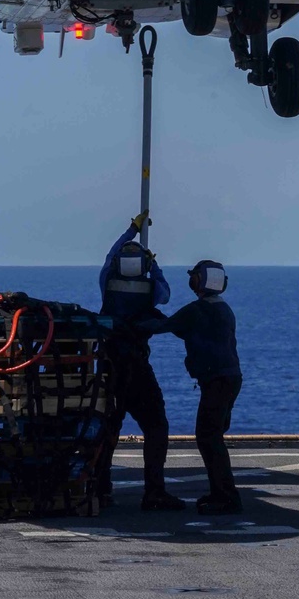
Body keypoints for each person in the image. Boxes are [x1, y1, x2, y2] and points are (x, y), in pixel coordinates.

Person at [97, 215, 186, 513]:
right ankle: (154, 492)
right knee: (156, 426)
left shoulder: (107, 281)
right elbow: (166, 292)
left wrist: (130, 231)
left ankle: (100, 488)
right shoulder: (151, 289)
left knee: (108, 427)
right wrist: (153, 264)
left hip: (109, 366)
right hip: (136, 366)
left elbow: (111, 255)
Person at [150, 259, 243, 514]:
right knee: (213, 437)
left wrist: (131, 320)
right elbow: (184, 329)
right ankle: (220, 492)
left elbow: (163, 327)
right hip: (229, 379)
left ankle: (226, 497)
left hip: (217, 381)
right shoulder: (223, 309)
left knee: (208, 437)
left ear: (197, 281)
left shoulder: (197, 310)